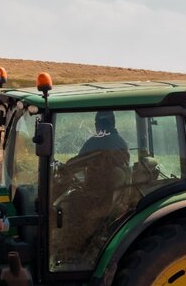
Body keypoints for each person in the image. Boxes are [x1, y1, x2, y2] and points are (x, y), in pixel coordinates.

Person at [51, 110, 132, 270]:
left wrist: (64, 167)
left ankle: (68, 252)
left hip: (101, 198)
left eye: (97, 124)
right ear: (113, 123)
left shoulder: (95, 142)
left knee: (68, 205)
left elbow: (77, 164)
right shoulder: (121, 143)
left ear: (97, 125)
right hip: (113, 195)